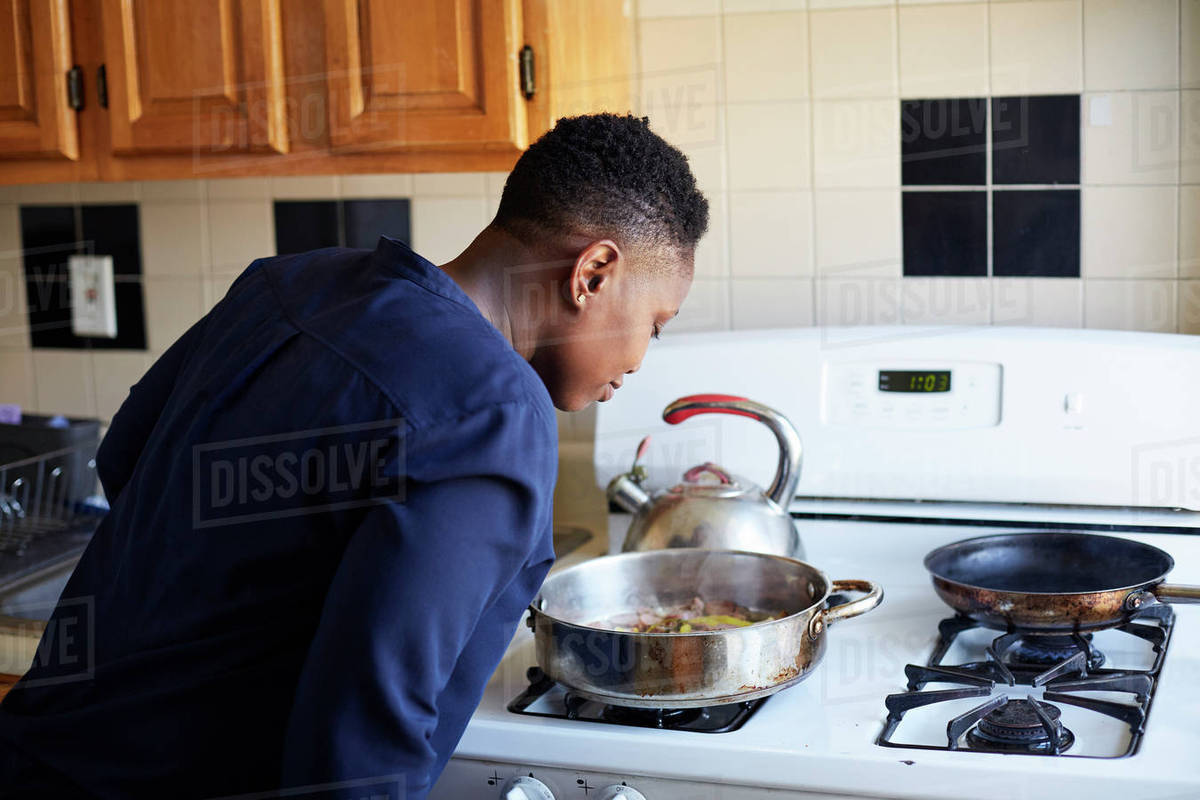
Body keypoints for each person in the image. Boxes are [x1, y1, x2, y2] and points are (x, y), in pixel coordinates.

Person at [0, 113, 707, 799]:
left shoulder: (290, 283)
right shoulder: (494, 412)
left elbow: (127, 456)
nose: (642, 358)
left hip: (36, 751)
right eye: (655, 324)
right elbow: (367, 732)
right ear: (592, 273)